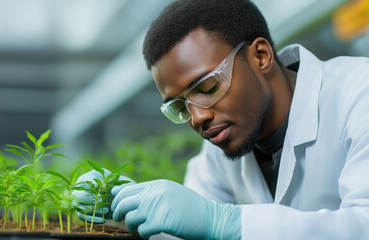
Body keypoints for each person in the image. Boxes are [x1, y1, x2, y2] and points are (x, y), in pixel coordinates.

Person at [74, 0, 369, 239]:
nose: (198, 117)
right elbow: (187, 228)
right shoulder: (223, 142)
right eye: (181, 107)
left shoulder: (358, 93)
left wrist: (223, 223)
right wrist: (127, 207)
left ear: (261, 56)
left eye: (208, 87)